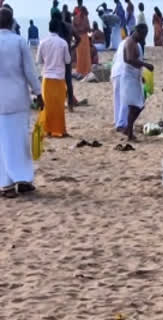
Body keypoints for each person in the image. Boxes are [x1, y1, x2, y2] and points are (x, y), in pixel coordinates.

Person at [0, 7, 43, 198]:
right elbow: (30, 71)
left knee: (2, 143)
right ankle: (23, 180)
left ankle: (5, 184)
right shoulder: (19, 42)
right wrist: (38, 93)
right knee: (19, 141)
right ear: (12, 22)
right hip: (17, 98)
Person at [37, 18, 70, 137]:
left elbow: (39, 61)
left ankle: (48, 130)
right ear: (58, 29)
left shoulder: (43, 42)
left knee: (48, 105)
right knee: (59, 105)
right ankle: (61, 130)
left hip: (47, 77)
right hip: (59, 77)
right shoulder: (63, 43)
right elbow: (67, 60)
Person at [120, 23, 152, 141]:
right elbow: (128, 59)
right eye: (143, 35)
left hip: (135, 76)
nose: (144, 37)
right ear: (138, 32)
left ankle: (128, 128)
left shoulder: (136, 43)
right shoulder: (130, 42)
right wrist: (145, 64)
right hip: (129, 78)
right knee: (134, 106)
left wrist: (141, 75)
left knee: (140, 103)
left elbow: (134, 60)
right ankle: (129, 134)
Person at [110, 35, 127, 131]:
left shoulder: (121, 43)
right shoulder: (134, 44)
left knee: (117, 99)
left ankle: (117, 121)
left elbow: (114, 59)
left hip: (115, 72)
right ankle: (121, 124)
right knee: (125, 98)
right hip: (123, 73)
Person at [72, 0, 91, 76]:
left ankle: (81, 70)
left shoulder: (76, 16)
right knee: (83, 54)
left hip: (80, 37)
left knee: (82, 54)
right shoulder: (84, 18)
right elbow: (88, 29)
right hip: (82, 37)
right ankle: (83, 70)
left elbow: (74, 27)